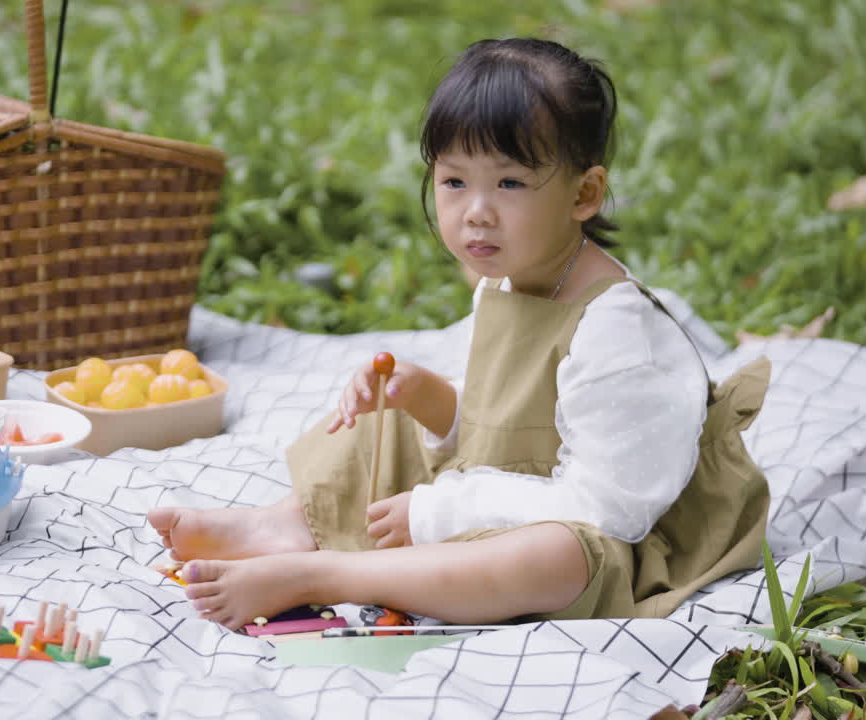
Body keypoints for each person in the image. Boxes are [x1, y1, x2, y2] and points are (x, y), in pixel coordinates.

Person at [148, 37, 771, 631]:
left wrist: (441, 510)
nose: (476, 210)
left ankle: (329, 573)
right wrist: (424, 397)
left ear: (584, 193)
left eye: (509, 182)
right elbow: (503, 432)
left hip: (625, 537)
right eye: (454, 181)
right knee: (387, 415)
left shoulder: (617, 333)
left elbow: (611, 507)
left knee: (557, 556)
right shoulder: (507, 279)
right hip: (529, 485)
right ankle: (284, 526)